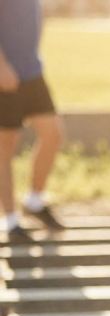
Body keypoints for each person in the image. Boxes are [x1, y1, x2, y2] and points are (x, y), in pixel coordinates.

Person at [0, 0, 65, 245]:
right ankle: (10, 220)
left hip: (32, 71)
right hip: (6, 73)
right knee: (5, 146)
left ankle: (34, 202)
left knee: (53, 134)